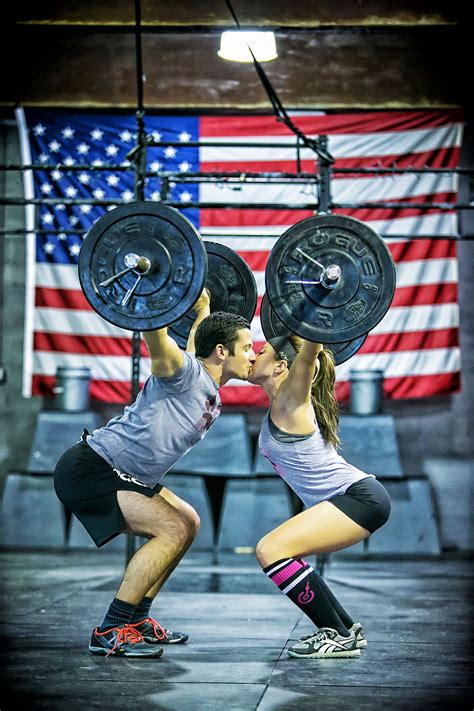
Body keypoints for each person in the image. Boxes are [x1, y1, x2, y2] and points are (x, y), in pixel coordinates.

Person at [54, 289, 256, 658]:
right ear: (222, 352)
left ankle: (137, 618)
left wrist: (203, 309)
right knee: (171, 528)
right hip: (93, 469)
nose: (253, 355)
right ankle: (111, 629)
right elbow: (161, 343)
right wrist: (155, 300)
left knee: (189, 521)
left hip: (124, 476)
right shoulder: (182, 373)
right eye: (247, 348)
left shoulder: (203, 380)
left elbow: (197, 345)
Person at [248, 335, 391, 659]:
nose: (254, 355)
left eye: (262, 351)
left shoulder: (291, 399)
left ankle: (335, 634)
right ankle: (345, 630)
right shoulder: (283, 402)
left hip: (359, 498)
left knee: (271, 549)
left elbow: (308, 356)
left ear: (283, 365)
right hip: (358, 498)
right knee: (284, 553)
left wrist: (312, 327)